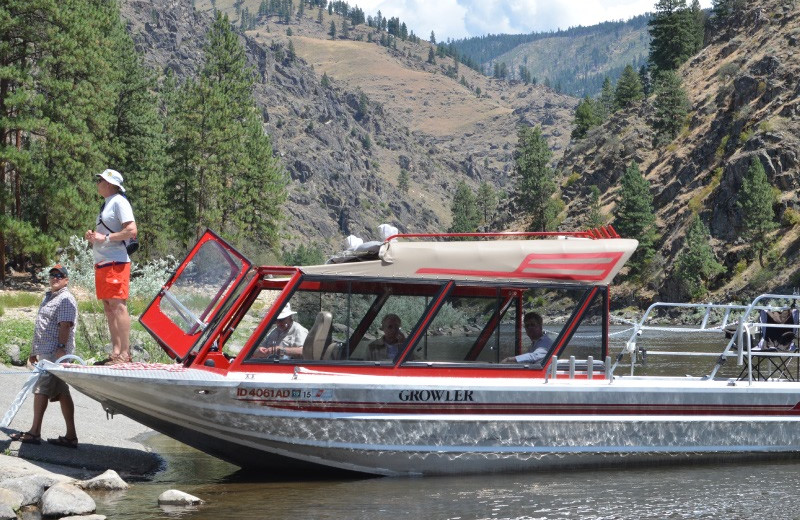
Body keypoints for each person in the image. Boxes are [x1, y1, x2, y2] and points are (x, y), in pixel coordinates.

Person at [9, 265, 79, 448]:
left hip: (55, 353)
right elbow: (43, 326)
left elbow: (65, 325)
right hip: (47, 351)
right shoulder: (49, 297)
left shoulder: (65, 298)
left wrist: (62, 349)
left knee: (41, 390)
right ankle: (71, 437)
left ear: (66, 279)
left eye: (59, 275)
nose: (55, 278)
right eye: (52, 275)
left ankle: (34, 432)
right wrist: (34, 351)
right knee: (63, 393)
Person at [84, 169, 137, 365]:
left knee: (118, 305)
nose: (98, 183)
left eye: (100, 180)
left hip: (116, 262)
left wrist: (104, 237)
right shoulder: (107, 203)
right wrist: (95, 237)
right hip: (103, 262)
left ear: (109, 183)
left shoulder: (119, 201)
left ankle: (125, 353)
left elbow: (131, 230)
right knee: (108, 307)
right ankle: (116, 352)